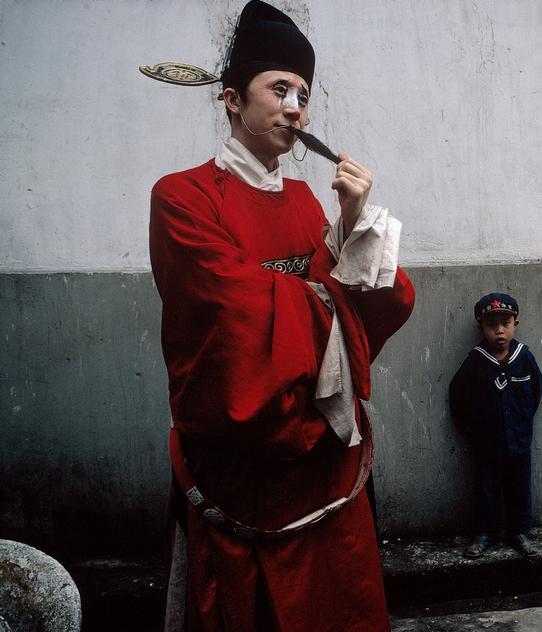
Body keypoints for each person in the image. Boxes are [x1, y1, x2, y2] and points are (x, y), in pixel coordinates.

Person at [148, 2, 415, 630]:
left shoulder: (302, 201)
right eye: (279, 89)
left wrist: (352, 225)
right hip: (240, 461)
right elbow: (231, 316)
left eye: (303, 93)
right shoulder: (182, 196)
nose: (296, 106)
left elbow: (372, 302)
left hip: (321, 460)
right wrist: (331, 287)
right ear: (233, 100)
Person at [449, 293, 542, 559]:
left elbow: (535, 391)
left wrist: (522, 420)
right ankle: (485, 534)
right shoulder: (475, 362)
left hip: (519, 440)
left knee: (519, 488)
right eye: (492, 325)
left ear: (516, 323)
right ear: (482, 327)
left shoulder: (524, 358)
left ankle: (519, 532)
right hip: (486, 443)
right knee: (487, 489)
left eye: (505, 323)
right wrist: (472, 429)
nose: (499, 331)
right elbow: (457, 396)